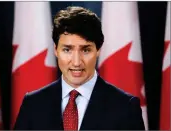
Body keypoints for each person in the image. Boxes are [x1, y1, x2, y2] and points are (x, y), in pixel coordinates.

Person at [14, 6, 145, 130]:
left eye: (86, 50)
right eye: (67, 50)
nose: (76, 62)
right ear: (55, 50)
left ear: (98, 50)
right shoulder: (33, 104)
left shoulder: (125, 107)